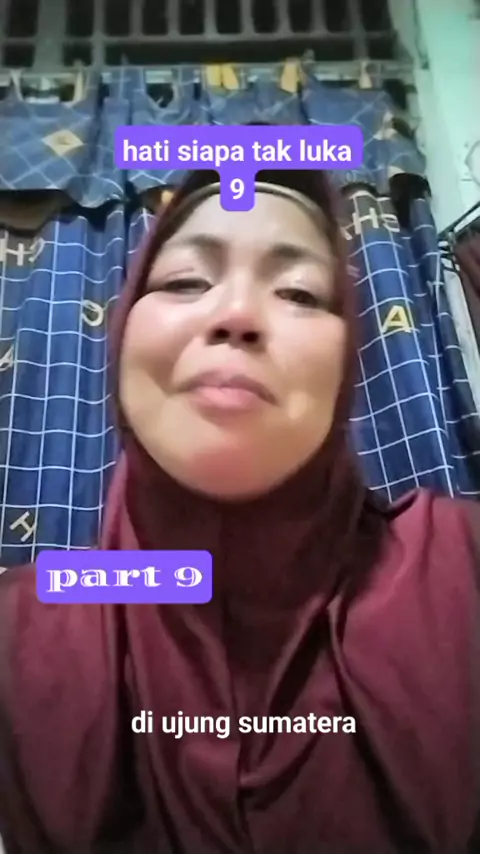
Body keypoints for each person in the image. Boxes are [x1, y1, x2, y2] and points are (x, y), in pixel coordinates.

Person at [0, 166, 479, 854]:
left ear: (349, 363)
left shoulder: (464, 568)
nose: (236, 315)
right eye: (186, 281)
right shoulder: (23, 623)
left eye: (299, 291)